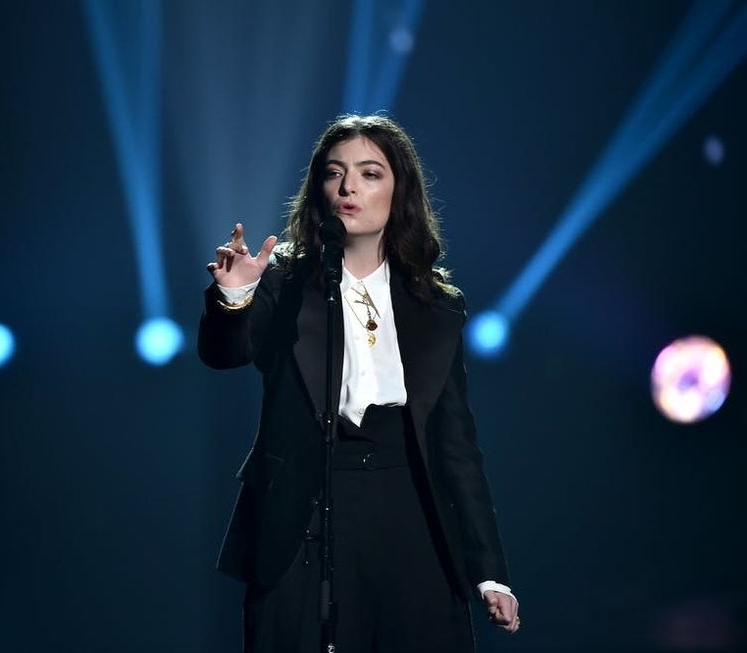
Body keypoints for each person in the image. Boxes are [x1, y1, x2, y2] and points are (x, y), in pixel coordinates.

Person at [198, 114, 519, 652]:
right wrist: (233, 297)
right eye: (334, 172)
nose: (348, 187)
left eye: (370, 173)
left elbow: (456, 446)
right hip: (303, 519)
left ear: (400, 191)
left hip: (411, 515)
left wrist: (489, 572)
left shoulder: (436, 305)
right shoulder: (282, 284)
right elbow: (224, 354)